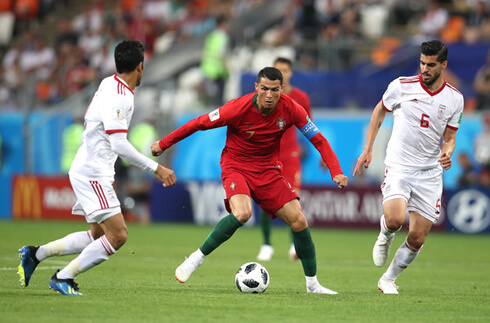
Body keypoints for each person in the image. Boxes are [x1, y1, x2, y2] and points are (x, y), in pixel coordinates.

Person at [152, 67, 348, 294]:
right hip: (236, 165)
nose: (269, 94)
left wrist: (336, 170)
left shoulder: (291, 108)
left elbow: (318, 139)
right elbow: (198, 123)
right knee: (242, 213)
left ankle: (312, 285)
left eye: (274, 90)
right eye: (264, 88)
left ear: (282, 89)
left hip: (268, 169)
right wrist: (164, 143)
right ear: (256, 88)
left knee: (299, 221)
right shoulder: (237, 108)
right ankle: (196, 258)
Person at [17, 40, 176, 296]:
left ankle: (35, 254)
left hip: (89, 167)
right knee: (119, 235)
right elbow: (119, 144)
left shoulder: (109, 82)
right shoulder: (119, 97)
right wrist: (156, 168)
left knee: (97, 234)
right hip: (93, 173)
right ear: (141, 66)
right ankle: (63, 277)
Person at [353, 40, 464, 294]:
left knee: (418, 237)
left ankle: (388, 279)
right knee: (394, 219)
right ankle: (386, 233)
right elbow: (380, 111)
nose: (425, 69)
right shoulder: (401, 86)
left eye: (431, 65)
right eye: (422, 63)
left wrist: (447, 152)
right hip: (400, 166)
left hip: (429, 173)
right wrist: (368, 148)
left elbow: (449, 138)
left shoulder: (455, 99)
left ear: (443, 65)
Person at [256, 57, 312, 262]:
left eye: (286, 70)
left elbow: (309, 126)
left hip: (291, 155)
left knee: (293, 199)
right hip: (269, 155)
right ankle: (266, 244)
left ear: (290, 73)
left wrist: (321, 154)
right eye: (279, 70)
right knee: (266, 201)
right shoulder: (265, 96)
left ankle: (293, 245)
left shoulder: (300, 98)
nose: (283, 73)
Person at [200, 15, 229, 106]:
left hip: (208, 70)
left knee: (209, 100)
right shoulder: (223, 36)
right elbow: (221, 53)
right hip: (218, 71)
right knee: (218, 101)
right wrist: (227, 68)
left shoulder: (211, 36)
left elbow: (205, 52)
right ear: (222, 24)